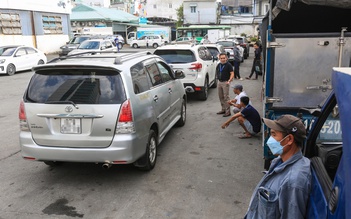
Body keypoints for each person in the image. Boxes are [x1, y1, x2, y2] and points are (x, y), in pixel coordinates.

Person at [244, 115, 311, 219]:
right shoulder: (280, 161)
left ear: (289, 139)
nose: (269, 140)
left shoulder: (292, 181)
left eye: (274, 135)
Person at [216, 53, 234, 117]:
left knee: (226, 97)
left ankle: (228, 111)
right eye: (221, 58)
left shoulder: (228, 65)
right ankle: (223, 109)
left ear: (226, 58)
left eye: (224, 58)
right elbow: (217, 73)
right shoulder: (219, 65)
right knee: (221, 96)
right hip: (219, 82)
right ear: (219, 58)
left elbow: (232, 73)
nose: (223, 59)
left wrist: (229, 80)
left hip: (225, 82)